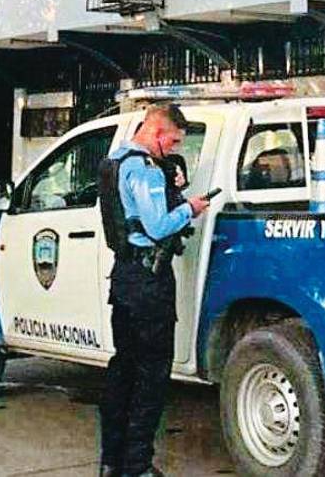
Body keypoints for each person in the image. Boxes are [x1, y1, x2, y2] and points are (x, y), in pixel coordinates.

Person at [100, 103, 210, 477]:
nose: (175, 147)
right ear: (159, 133)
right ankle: (138, 467)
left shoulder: (114, 160)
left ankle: (111, 462)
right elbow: (158, 225)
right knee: (151, 376)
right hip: (149, 283)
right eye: (174, 140)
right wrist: (190, 209)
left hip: (124, 278)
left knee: (122, 370)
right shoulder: (143, 169)